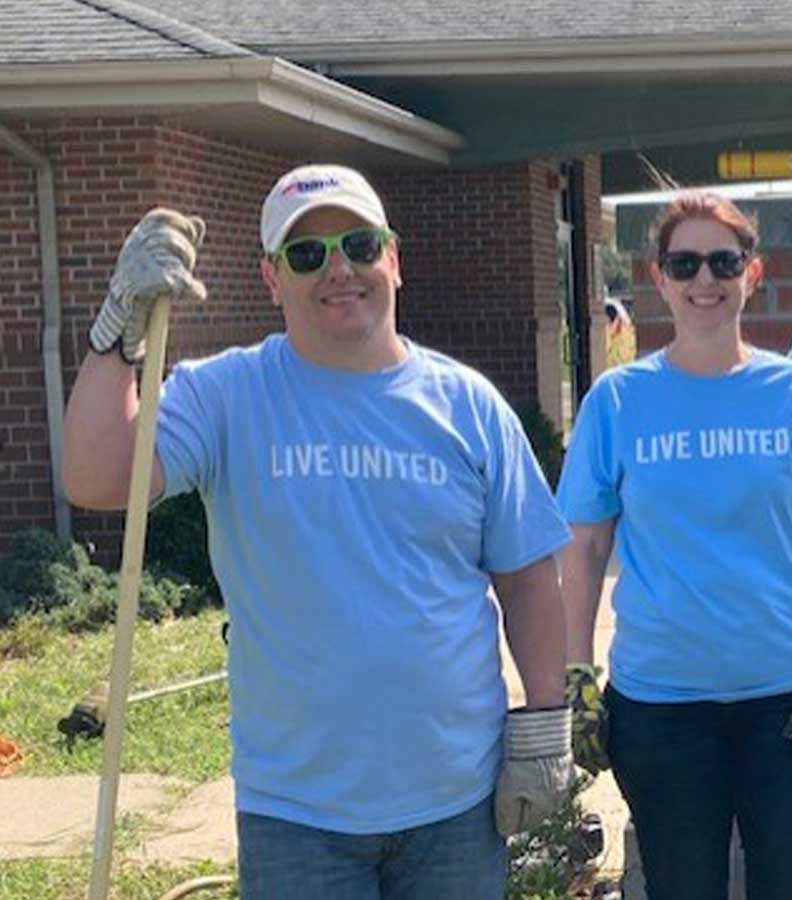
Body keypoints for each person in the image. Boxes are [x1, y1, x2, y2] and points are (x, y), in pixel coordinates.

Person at [62, 165, 574, 899]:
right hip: (296, 813)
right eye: (307, 255)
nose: (340, 269)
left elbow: (527, 578)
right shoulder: (225, 396)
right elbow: (97, 477)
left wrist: (546, 722)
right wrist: (119, 331)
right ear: (272, 279)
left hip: (455, 802)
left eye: (359, 245)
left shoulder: (469, 407)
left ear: (393, 258)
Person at [557, 191, 792, 899]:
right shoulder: (616, 401)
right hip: (660, 707)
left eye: (724, 261)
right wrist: (574, 672)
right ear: (660, 277)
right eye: (686, 263)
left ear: (751, 274)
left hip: (787, 702)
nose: (706, 280)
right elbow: (582, 549)